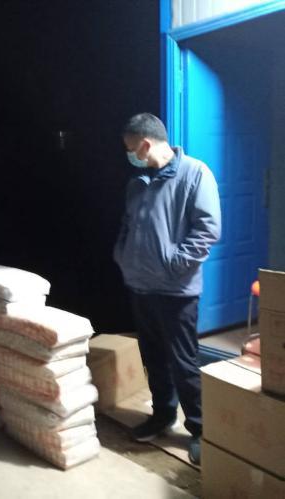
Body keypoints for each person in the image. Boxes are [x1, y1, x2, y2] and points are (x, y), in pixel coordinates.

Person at [113, 113, 221, 465]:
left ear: (145, 144)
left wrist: (173, 265)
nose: (129, 155)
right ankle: (162, 415)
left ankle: (200, 429)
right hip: (140, 286)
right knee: (153, 357)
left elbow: (207, 230)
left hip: (176, 292)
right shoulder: (137, 182)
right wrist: (124, 257)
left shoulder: (195, 174)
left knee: (183, 362)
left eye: (131, 149)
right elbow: (129, 224)